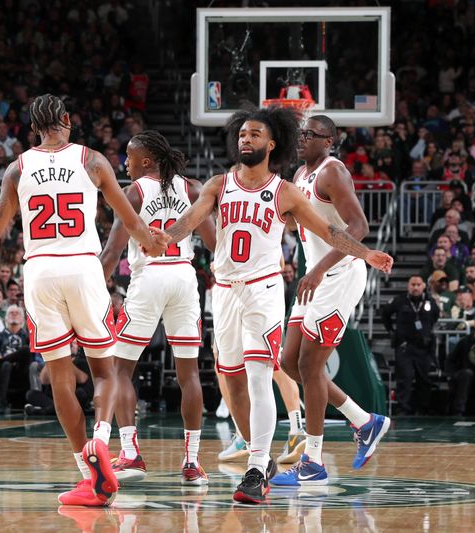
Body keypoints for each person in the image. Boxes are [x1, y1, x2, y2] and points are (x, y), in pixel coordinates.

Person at [161, 106, 393, 504]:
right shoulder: (221, 184)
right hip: (225, 290)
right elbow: (189, 221)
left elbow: (331, 230)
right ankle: (278, 449)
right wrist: (161, 240)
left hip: (265, 290)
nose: (245, 139)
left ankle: (261, 466)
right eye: (242, 134)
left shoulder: (287, 188)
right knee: (239, 380)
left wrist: (366, 252)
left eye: (254, 134)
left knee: (262, 373)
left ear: (271, 143)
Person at [0, 94, 165, 507]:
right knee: (104, 371)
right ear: (67, 120)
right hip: (83, 268)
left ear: (34, 128)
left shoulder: (17, 168)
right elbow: (128, 219)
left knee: (59, 376)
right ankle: (102, 444)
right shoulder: (92, 160)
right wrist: (151, 242)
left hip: (40, 273)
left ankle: (88, 476)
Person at [271, 115, 391, 489]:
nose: (302, 138)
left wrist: (319, 268)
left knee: (309, 364)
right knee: (289, 361)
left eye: (311, 134)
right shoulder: (300, 176)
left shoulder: (332, 171)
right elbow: (302, 224)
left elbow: (359, 227)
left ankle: (313, 461)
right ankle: (364, 421)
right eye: (301, 133)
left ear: (330, 141)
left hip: (340, 275)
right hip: (316, 276)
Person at [99, 131, 215, 485]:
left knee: (120, 370)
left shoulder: (134, 192)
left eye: (130, 158)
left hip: (149, 278)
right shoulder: (192, 187)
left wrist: (95, 288)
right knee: (189, 374)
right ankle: (192, 463)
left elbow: (114, 250)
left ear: (146, 161)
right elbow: (213, 242)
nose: (126, 163)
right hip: (183, 278)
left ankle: (131, 454)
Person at [381, 275, 440, 415]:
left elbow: (435, 317)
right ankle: (403, 408)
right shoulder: (399, 301)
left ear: (423, 286)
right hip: (404, 347)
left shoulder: (430, 302)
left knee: (423, 379)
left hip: (423, 348)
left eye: (418, 285)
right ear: (408, 286)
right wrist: (392, 331)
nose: (415, 287)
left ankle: (423, 409)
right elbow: (385, 314)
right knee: (404, 378)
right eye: (412, 284)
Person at [0, 305, 30, 415]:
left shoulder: (28, 336)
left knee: (26, 349)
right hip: (3, 369)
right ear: (5, 319)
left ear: (22, 320)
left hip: (21, 368)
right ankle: (1, 402)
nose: (14, 314)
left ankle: (5, 360)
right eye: (11, 313)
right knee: (6, 364)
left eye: (17, 313)